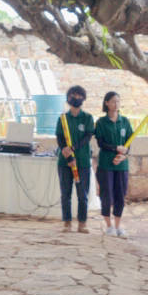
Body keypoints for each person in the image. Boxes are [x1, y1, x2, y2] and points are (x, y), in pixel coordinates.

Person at [93, 91, 134, 238]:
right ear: (106, 103)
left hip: (121, 165)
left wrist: (124, 154)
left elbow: (130, 141)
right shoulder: (101, 122)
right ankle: (108, 225)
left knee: (120, 195)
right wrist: (116, 149)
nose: (116, 104)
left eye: (118, 101)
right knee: (107, 195)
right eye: (113, 101)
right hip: (106, 164)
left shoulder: (125, 121)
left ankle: (117, 226)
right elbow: (101, 143)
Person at [55, 85, 95, 233]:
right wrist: (65, 151)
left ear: (83, 98)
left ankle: (82, 223)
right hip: (64, 162)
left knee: (82, 194)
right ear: (68, 98)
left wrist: (72, 149)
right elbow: (59, 136)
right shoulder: (63, 118)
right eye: (73, 95)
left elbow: (88, 137)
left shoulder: (88, 118)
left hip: (82, 161)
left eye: (79, 96)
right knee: (65, 194)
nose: (76, 98)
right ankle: (67, 222)